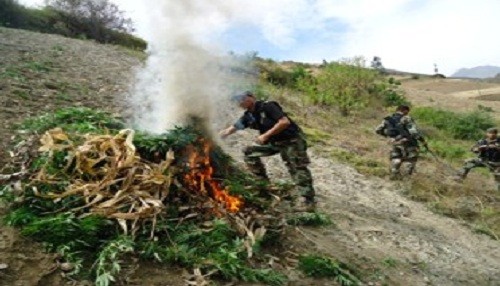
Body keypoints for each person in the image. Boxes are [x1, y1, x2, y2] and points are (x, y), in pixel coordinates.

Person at [219, 91, 316, 209]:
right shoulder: (249, 115)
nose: (240, 102)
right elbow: (233, 128)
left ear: (251, 97)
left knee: (296, 167)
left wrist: (265, 136)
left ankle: (307, 199)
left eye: (242, 98)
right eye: (237, 100)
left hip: (292, 141)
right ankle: (263, 184)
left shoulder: (268, 106)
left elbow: (284, 122)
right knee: (249, 152)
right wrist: (219, 135)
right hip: (274, 143)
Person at [375, 105, 428, 180]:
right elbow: (414, 132)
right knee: (411, 159)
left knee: (396, 158)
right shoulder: (406, 118)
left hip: (395, 142)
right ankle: (406, 179)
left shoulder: (388, 119)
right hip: (408, 142)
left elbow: (378, 130)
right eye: (407, 112)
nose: (407, 113)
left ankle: (394, 175)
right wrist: (422, 141)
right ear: (404, 110)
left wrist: (389, 137)